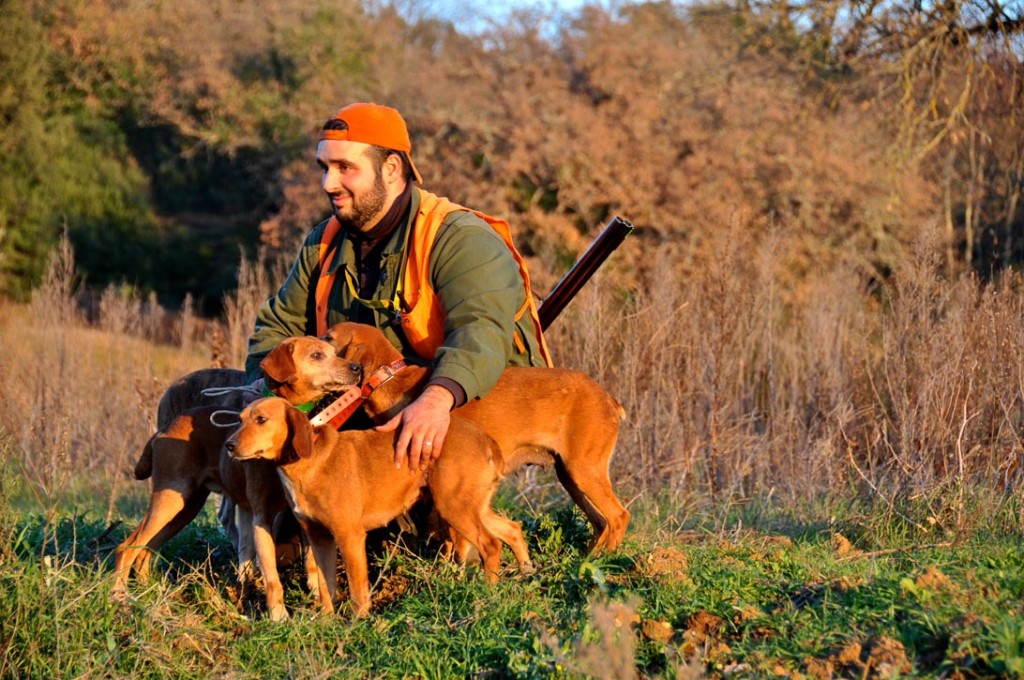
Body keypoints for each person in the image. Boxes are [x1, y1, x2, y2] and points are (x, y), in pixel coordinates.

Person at [245, 102, 551, 471]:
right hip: (368, 412)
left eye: (345, 168)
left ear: (391, 168)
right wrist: (264, 396)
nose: (328, 183)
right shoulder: (323, 240)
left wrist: (436, 399)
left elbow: (480, 334)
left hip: (461, 409)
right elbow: (278, 328)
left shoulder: (461, 238)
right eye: (324, 168)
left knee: (436, 522)